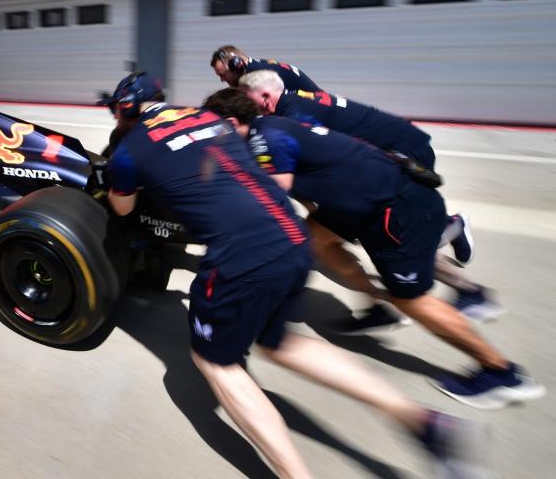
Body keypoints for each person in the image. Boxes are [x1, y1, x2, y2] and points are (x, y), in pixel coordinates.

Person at [103, 72, 488, 477]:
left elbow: (124, 209)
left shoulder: (131, 149)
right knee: (282, 345)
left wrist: (125, 183)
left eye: (115, 111)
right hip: (290, 236)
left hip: (239, 255)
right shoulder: (211, 119)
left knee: (217, 363)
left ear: (126, 110)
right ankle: (423, 422)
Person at [203, 86, 545, 410]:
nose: (211, 136)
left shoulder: (266, 136)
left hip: (395, 212)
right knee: (315, 239)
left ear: (232, 123)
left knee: (413, 300)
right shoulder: (271, 127)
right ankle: (379, 307)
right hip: (369, 203)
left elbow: (273, 195)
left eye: (212, 128)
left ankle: (502, 372)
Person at [238, 70, 490, 331]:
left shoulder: (290, 117)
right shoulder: (292, 104)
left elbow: (313, 166)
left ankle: (462, 270)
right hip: (380, 165)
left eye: (248, 100)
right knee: (324, 238)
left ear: (266, 96)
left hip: (398, 157)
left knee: (403, 239)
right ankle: (380, 303)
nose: (248, 109)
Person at [210, 45, 321, 92]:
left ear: (236, 64)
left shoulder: (256, 76)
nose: (222, 80)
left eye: (223, 74)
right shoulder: (256, 65)